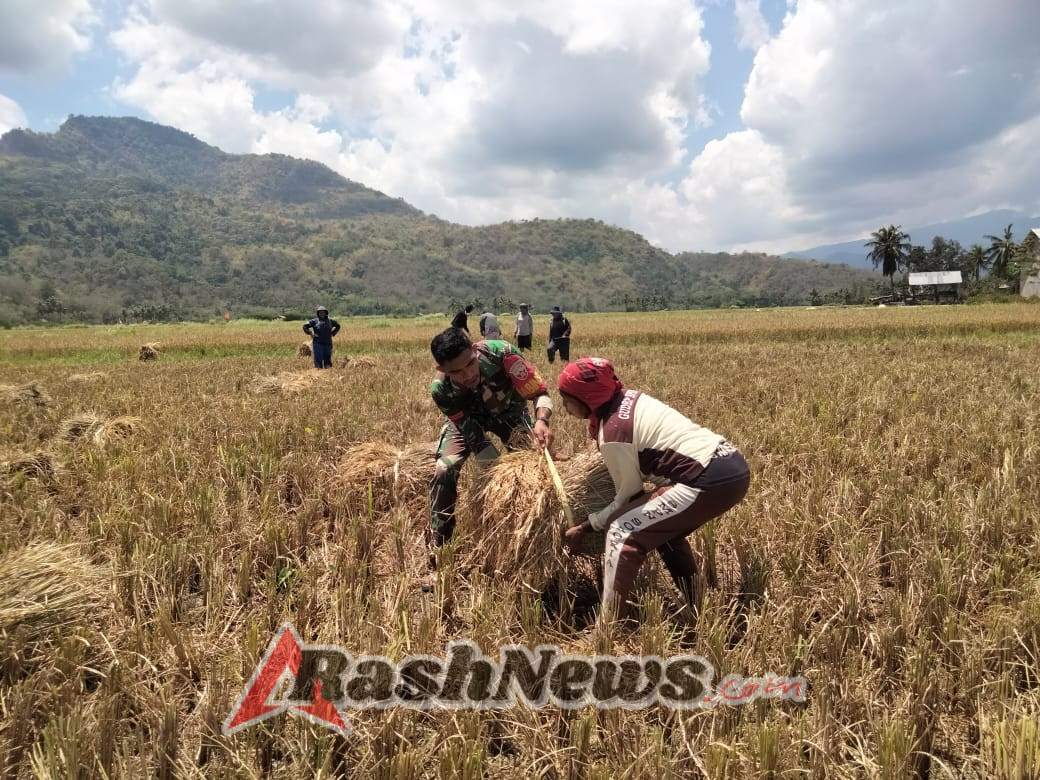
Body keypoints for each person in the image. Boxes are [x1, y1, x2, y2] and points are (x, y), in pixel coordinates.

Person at [558, 358, 750, 623]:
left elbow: (628, 497)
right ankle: (697, 604)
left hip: (707, 479)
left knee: (623, 530)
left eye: (567, 400)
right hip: (730, 464)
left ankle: (606, 630)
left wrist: (587, 525)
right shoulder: (628, 398)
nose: (565, 408)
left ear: (586, 397)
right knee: (659, 526)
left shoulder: (613, 434)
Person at [424, 327, 554, 590]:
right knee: (443, 471)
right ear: (443, 369)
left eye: (470, 364)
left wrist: (541, 421)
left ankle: (533, 550)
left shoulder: (503, 354)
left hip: (511, 417)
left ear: (474, 350)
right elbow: (472, 434)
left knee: (535, 469)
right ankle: (440, 560)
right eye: (457, 372)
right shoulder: (441, 390)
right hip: (469, 423)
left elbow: (540, 393)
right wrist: (491, 466)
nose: (468, 374)